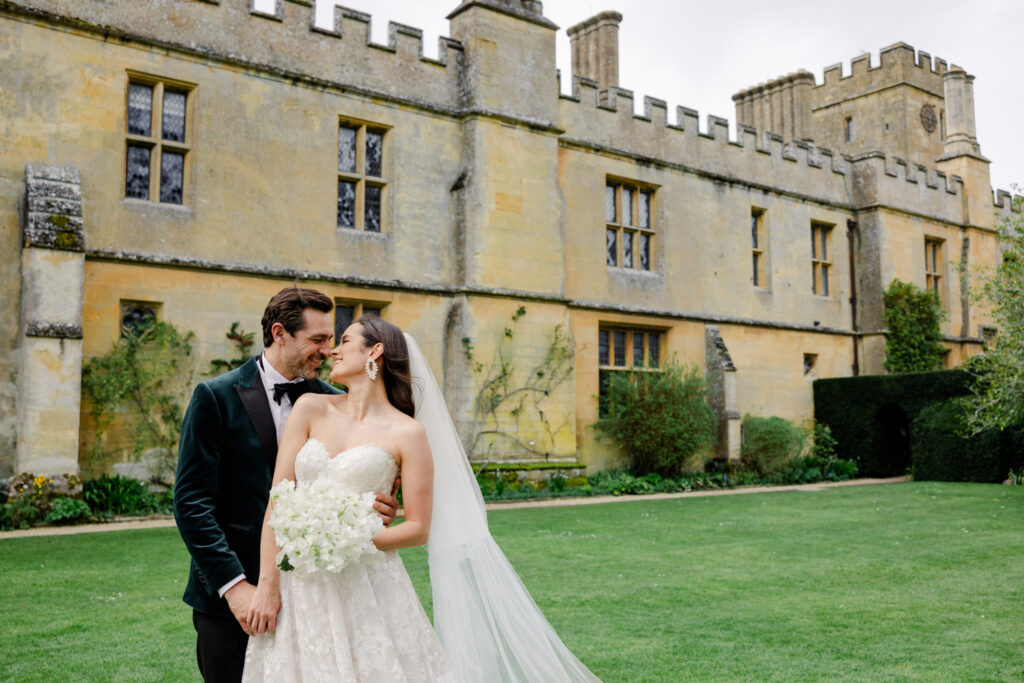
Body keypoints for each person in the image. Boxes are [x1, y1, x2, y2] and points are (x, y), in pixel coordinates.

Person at [242, 316, 602, 682]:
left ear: (375, 351)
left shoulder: (408, 433)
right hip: (300, 582)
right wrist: (267, 583)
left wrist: (349, 539)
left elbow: (417, 527)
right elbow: (279, 501)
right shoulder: (309, 407)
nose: (333, 349)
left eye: (345, 340)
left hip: (367, 583)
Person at [173, 287, 400, 683]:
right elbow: (191, 504)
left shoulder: (335, 400)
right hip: (229, 597)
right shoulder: (215, 396)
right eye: (317, 339)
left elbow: (351, 475)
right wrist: (235, 587)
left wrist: (374, 506)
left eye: (332, 339)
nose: (328, 350)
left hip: (313, 595)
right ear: (280, 333)